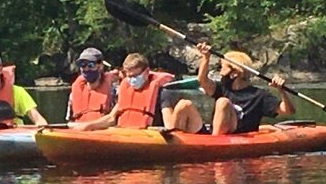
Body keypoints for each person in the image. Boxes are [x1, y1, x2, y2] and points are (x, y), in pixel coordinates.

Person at [167, 44, 295, 134]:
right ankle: (170, 142)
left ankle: (215, 146)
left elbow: (287, 111)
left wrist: (281, 90)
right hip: (211, 135)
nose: (220, 72)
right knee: (184, 104)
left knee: (223, 102)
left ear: (234, 74)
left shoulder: (259, 95)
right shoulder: (222, 88)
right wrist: (206, 57)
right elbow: (202, 80)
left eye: (223, 67)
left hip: (234, 136)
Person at [69, 52, 174, 130]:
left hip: (147, 136)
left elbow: (170, 129)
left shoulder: (162, 92)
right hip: (124, 134)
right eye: (129, 76)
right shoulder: (125, 91)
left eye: (136, 76)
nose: (132, 80)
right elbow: (111, 118)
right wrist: (87, 126)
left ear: (146, 71)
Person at [64, 47, 119, 123]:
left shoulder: (114, 91)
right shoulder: (73, 94)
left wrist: (87, 126)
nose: (86, 69)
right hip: (79, 133)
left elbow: (115, 120)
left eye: (91, 65)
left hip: (105, 133)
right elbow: (70, 122)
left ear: (100, 66)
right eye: (82, 65)